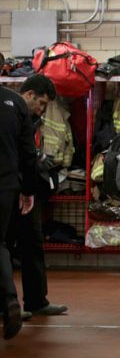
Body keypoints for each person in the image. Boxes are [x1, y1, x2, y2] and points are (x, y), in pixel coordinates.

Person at [6, 75, 68, 320]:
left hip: (26, 192)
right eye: (40, 103)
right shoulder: (11, 114)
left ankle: (36, 301)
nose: (42, 109)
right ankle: (7, 306)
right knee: (5, 249)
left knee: (33, 244)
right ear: (29, 94)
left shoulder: (32, 120)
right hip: (9, 190)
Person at [0, 81, 38, 340]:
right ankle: (9, 300)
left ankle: (8, 300)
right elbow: (28, 151)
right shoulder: (15, 103)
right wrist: (28, 189)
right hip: (7, 185)